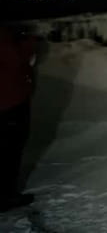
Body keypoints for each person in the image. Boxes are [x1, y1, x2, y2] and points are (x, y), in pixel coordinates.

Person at [0, 23, 36, 212]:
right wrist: (27, 42)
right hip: (9, 101)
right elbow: (15, 60)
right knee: (10, 148)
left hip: (9, 98)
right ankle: (5, 196)